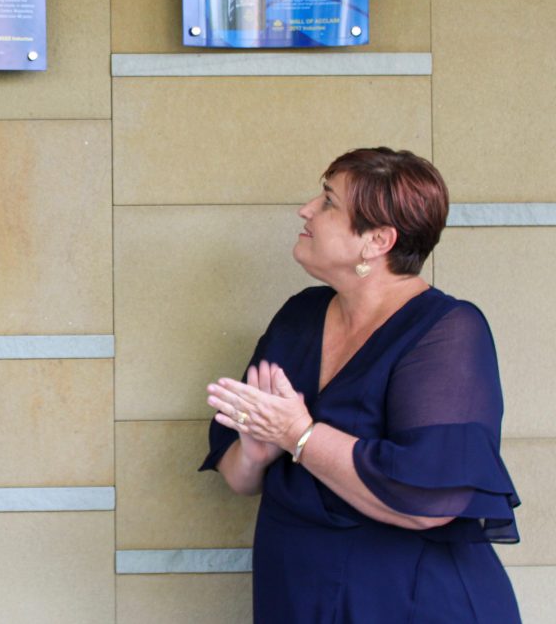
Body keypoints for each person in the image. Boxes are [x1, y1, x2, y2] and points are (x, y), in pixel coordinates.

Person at [200, 148, 521, 622]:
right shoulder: (299, 316)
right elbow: (240, 478)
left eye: (328, 201)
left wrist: (299, 436)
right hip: (296, 594)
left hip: (410, 602)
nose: (306, 209)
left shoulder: (447, 330)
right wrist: (255, 450)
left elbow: (430, 500)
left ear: (377, 241)